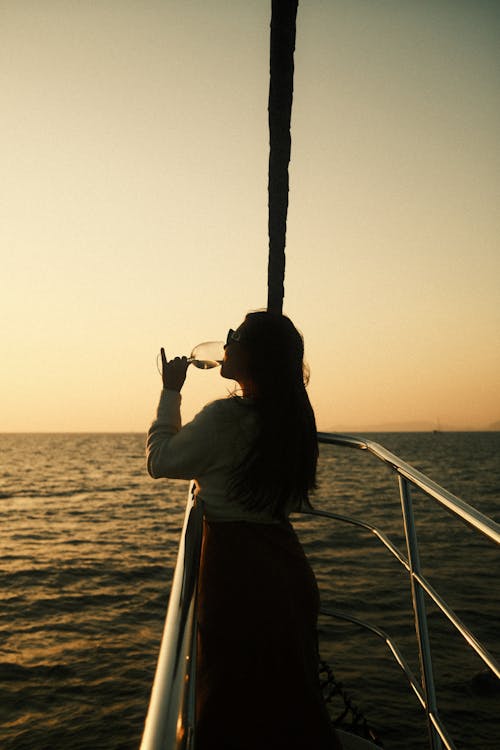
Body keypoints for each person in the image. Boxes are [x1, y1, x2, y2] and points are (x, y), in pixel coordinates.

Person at [147, 311, 342, 750]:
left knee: (231, 711)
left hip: (237, 578)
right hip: (287, 570)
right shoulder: (294, 419)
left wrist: (170, 391)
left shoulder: (223, 420)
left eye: (235, 336)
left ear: (252, 355)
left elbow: (159, 460)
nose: (226, 341)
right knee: (294, 710)